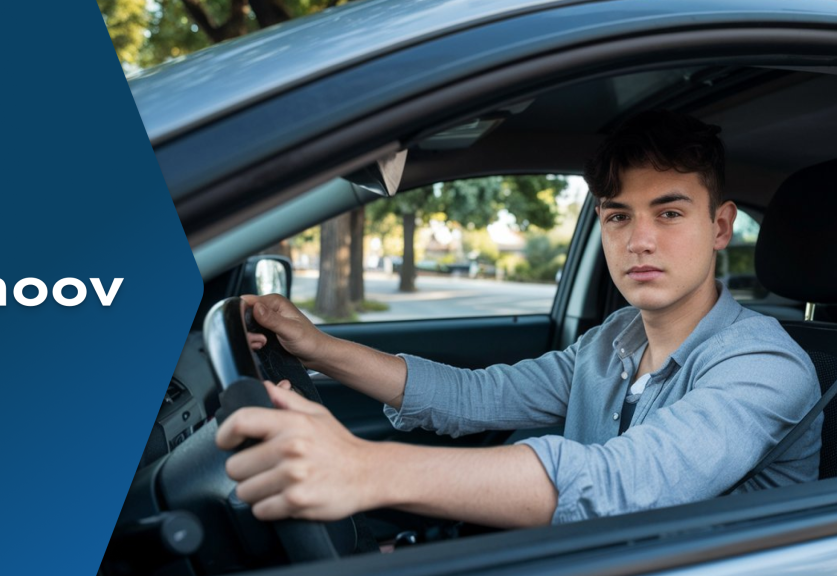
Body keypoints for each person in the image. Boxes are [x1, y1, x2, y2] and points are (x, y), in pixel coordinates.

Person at [215, 110, 821, 527]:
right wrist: (317, 346)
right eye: (617, 217)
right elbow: (476, 395)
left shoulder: (767, 366)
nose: (639, 241)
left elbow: (622, 484)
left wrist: (364, 467)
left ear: (719, 227)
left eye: (668, 214)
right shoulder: (612, 341)